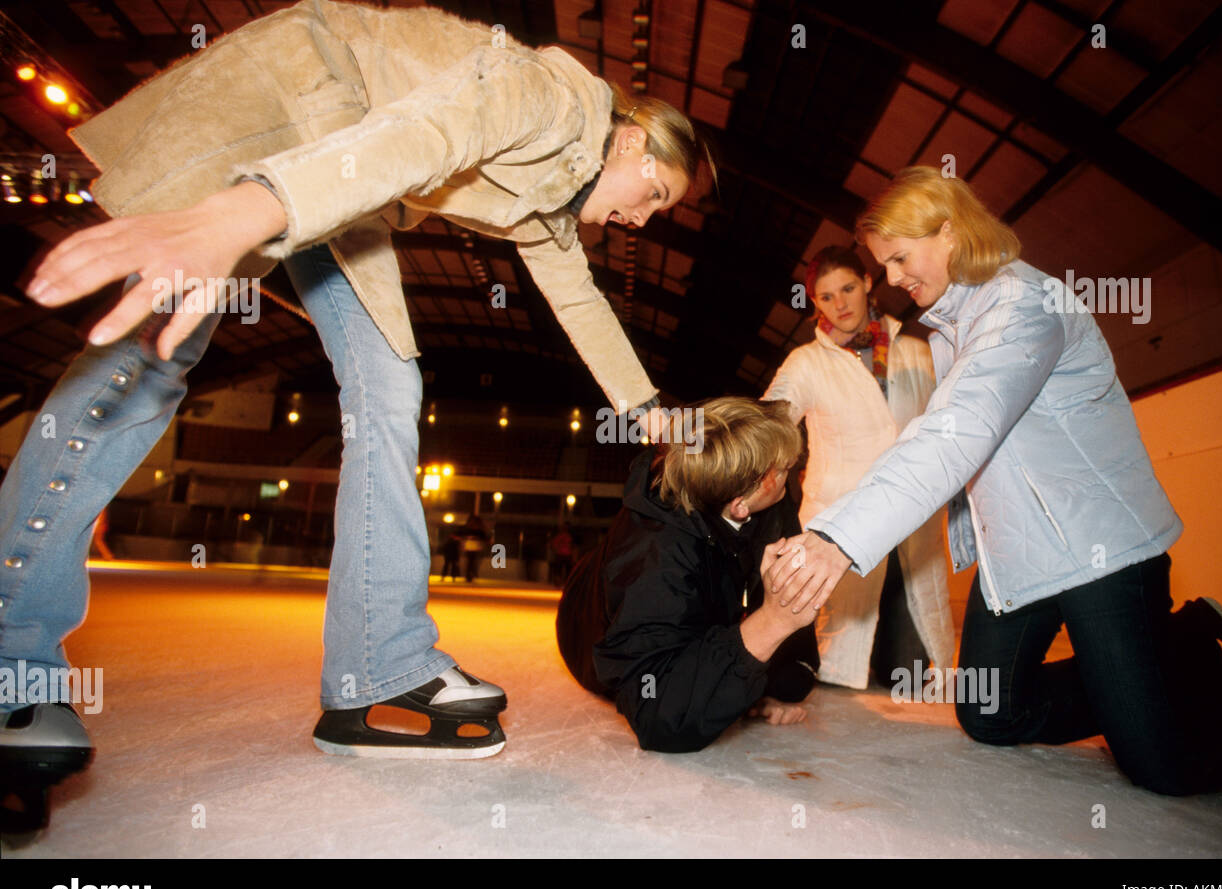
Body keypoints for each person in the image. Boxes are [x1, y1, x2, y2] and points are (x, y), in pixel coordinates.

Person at [0, 0, 712, 829]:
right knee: (156, 344)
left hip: (344, 178)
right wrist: (243, 210)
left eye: (658, 214)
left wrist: (648, 409)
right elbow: (420, 138)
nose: (641, 217)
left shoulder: (552, 197)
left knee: (387, 384)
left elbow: (578, 296)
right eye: (652, 193)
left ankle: (377, 668)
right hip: (297, 111)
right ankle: (12, 654)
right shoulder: (549, 97)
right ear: (630, 141)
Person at [764, 165, 1222, 795]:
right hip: (1018, 552)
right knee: (990, 710)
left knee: (1166, 763)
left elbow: (956, 431)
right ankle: (1167, 659)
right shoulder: (948, 328)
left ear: (950, 231)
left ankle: (1191, 681)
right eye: (885, 266)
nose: (895, 280)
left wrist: (839, 537)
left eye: (900, 260)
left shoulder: (1023, 305)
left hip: (1094, 546)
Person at [556, 398, 820, 753]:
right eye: (784, 468)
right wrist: (771, 623)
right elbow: (659, 718)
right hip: (589, 629)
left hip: (700, 598)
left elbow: (786, 582)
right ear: (740, 505)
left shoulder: (767, 497)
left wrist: (783, 682)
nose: (792, 469)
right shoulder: (656, 554)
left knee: (784, 680)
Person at [764, 246, 953, 691]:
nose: (841, 304)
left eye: (848, 288)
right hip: (841, 517)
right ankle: (826, 662)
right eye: (826, 297)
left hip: (911, 521)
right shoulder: (806, 362)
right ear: (815, 303)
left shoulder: (916, 352)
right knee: (833, 660)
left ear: (869, 283)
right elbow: (771, 423)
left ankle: (892, 647)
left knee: (904, 673)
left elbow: (949, 426)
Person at [457, 515, 488, 583]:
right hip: (469, 547)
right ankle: (469, 575)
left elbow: (485, 539)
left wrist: (476, 539)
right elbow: (460, 536)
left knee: (473, 562)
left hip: (475, 548)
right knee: (470, 562)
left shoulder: (480, 531)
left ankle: (471, 574)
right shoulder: (467, 530)